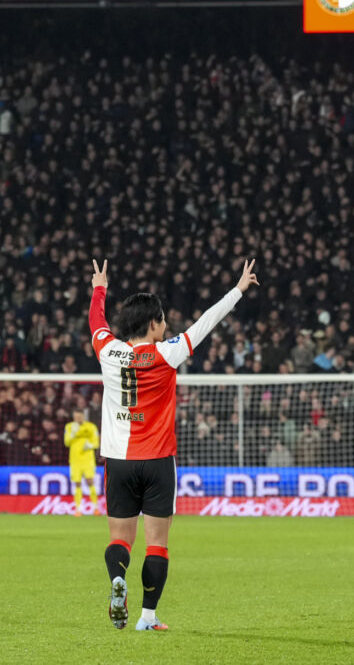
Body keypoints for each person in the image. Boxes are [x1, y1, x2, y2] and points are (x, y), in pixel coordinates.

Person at [90, 257, 258, 632]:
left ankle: (118, 580)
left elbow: (96, 323)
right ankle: (148, 617)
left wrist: (98, 288)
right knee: (157, 544)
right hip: (158, 462)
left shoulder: (106, 351)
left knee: (120, 539)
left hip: (118, 461)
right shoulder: (167, 353)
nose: (167, 326)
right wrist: (238, 289)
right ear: (153, 323)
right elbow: (207, 322)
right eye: (163, 320)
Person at [65, 410, 101, 517]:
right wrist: (73, 434)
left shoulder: (91, 426)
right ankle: (78, 509)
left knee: (90, 481)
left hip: (88, 459)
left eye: (79, 417)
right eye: (76, 417)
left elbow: (96, 442)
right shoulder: (69, 427)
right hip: (75, 460)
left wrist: (90, 445)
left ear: (83, 416)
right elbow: (66, 442)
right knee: (77, 483)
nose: (78, 419)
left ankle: (95, 508)